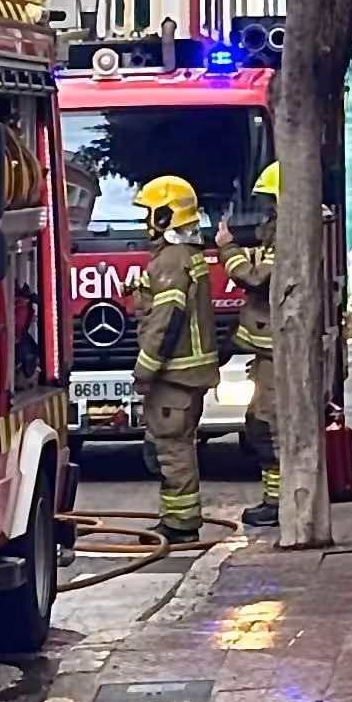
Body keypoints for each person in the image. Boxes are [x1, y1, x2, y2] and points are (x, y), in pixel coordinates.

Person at [132, 175, 221, 542]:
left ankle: (181, 525)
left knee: (173, 448)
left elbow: (166, 322)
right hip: (187, 374)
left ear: (167, 215)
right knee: (175, 445)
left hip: (175, 376)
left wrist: (144, 370)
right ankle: (175, 519)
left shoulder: (170, 260)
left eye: (149, 213)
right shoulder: (185, 257)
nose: (145, 222)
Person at [217, 161, 281, 527]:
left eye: (272, 201)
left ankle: (279, 502)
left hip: (275, 353)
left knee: (268, 427)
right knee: (259, 424)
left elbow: (258, 277)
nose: (268, 209)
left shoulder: (287, 234)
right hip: (266, 353)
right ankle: (274, 498)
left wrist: (227, 249)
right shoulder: (277, 232)